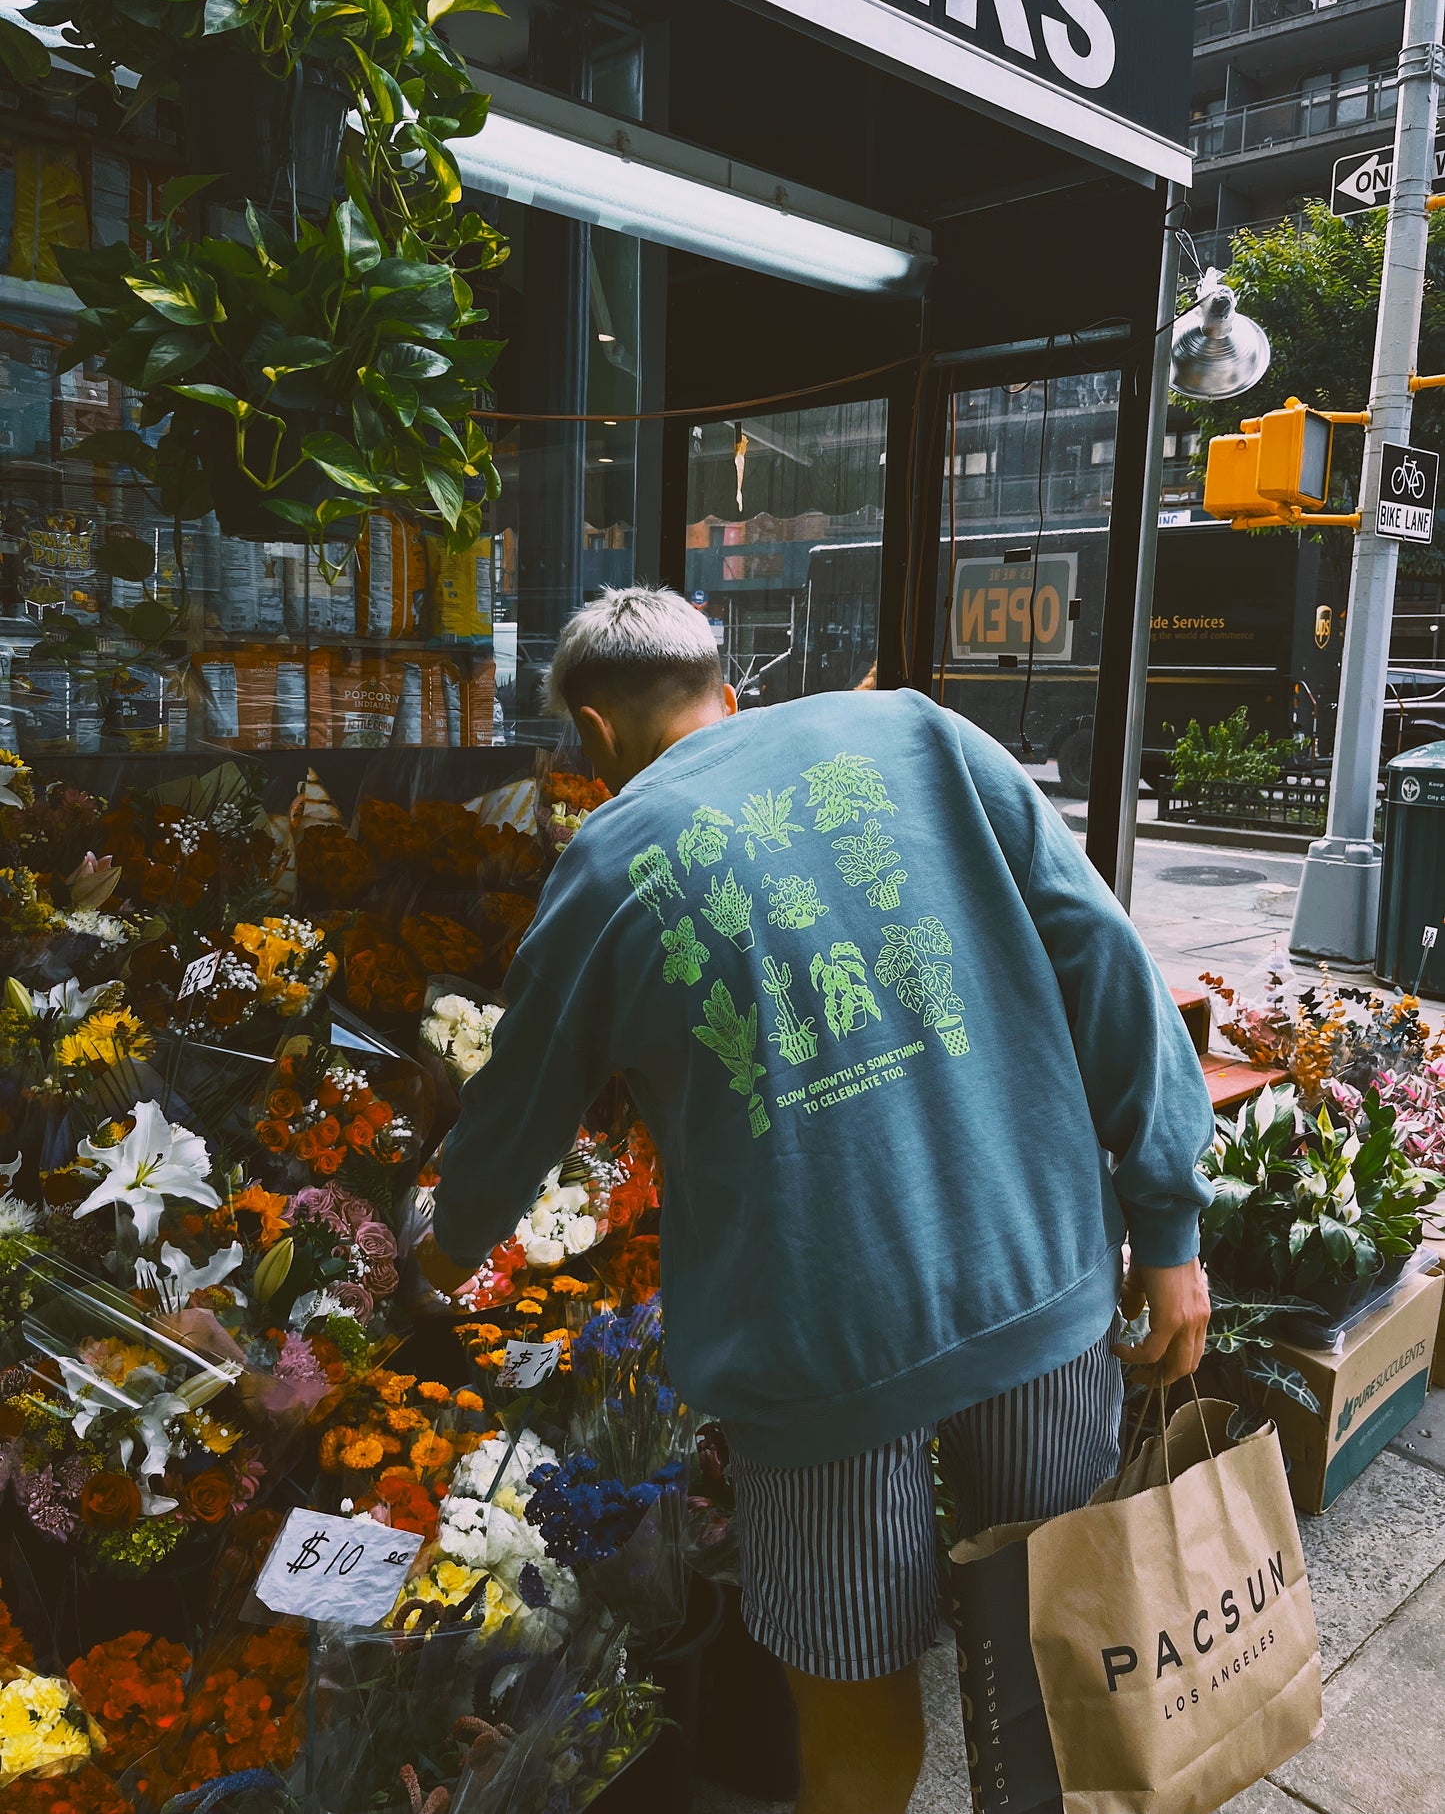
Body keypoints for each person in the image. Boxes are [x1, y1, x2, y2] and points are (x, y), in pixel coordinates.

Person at [427, 584, 1214, 1814]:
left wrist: (432, 1251)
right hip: (1028, 1278)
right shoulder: (920, 736)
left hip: (814, 1350)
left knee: (853, 1695)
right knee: (1067, 1649)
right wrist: (1167, 1225)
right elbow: (1107, 959)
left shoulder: (606, 864)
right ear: (724, 689)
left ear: (590, 733)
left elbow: (512, 1117)